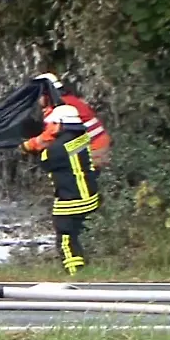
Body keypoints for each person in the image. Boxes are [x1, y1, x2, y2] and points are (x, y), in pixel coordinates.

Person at [23, 104, 100, 276]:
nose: (47, 128)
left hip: (72, 200)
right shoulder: (83, 138)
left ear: (59, 124)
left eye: (50, 125)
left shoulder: (56, 150)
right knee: (78, 233)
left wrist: (28, 146)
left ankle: (75, 273)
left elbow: (43, 160)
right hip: (91, 195)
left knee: (65, 238)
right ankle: (86, 269)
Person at [26, 73, 112, 168]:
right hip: (98, 140)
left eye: (39, 95)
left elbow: (51, 135)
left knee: (52, 155)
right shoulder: (70, 99)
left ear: (46, 94)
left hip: (93, 145)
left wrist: (29, 145)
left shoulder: (59, 106)